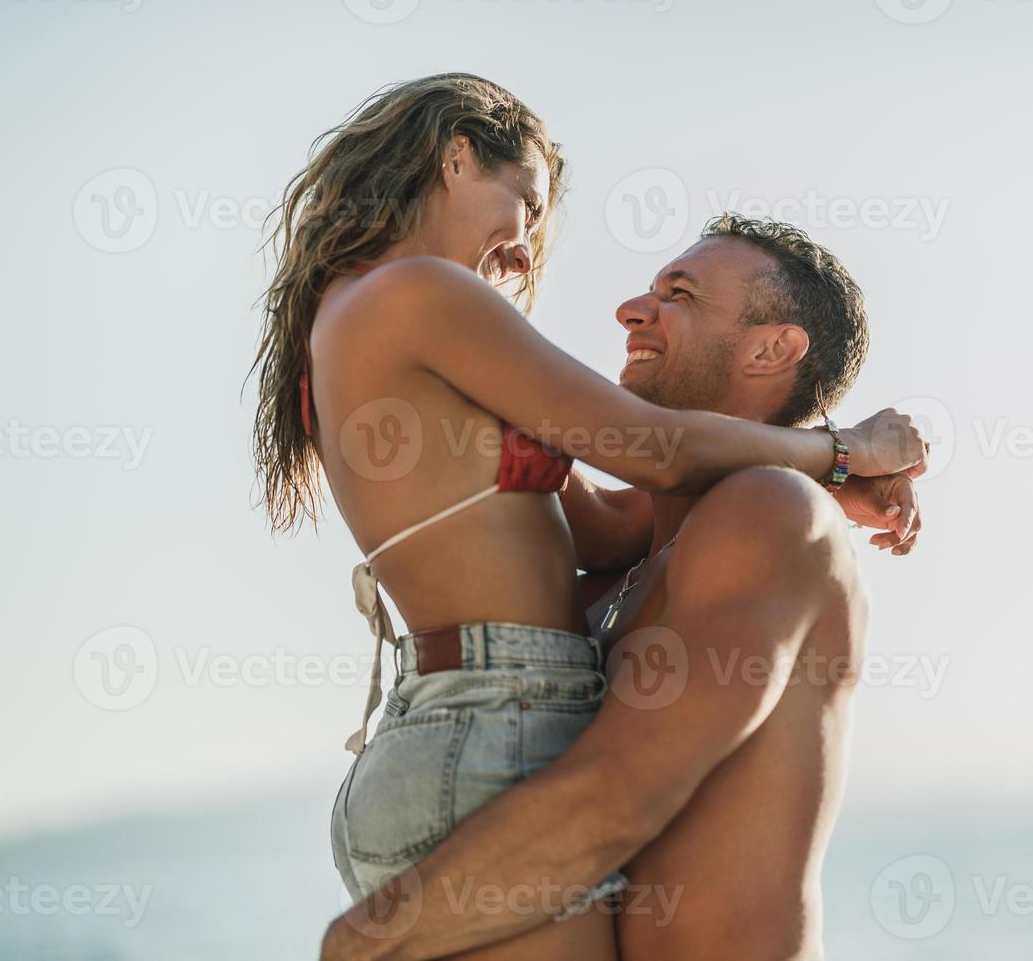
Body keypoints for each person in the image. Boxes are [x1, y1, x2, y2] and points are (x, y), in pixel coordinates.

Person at [247, 73, 926, 961]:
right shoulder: (416, 295)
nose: (531, 253)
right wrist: (842, 450)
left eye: (679, 295)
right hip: (482, 736)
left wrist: (817, 480)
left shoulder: (724, 535)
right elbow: (659, 452)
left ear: (772, 349)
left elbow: (621, 504)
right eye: (525, 202)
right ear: (457, 157)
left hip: (428, 737)